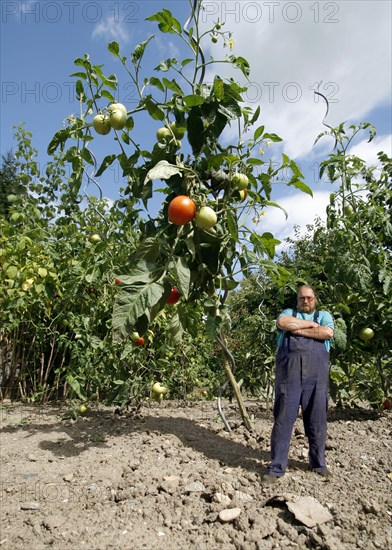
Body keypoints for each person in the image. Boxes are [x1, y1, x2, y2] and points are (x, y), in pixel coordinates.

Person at [264, 284, 335, 482]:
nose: (306, 301)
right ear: (298, 300)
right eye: (302, 298)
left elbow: (327, 333)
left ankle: (318, 463)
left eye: (309, 298)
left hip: (317, 377)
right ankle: (276, 468)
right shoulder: (288, 312)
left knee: (317, 419)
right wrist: (312, 327)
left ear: (315, 299)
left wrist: (300, 330)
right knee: (283, 419)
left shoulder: (324, 315)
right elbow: (283, 322)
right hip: (290, 376)